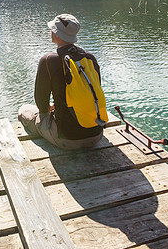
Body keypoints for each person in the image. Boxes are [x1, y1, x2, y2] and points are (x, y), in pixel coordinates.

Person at [18, 13, 106, 149]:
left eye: (52, 29)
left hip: (67, 140)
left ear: (57, 34)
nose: (50, 31)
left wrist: (49, 108)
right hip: (96, 135)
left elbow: (41, 104)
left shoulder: (48, 60)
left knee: (24, 110)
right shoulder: (90, 58)